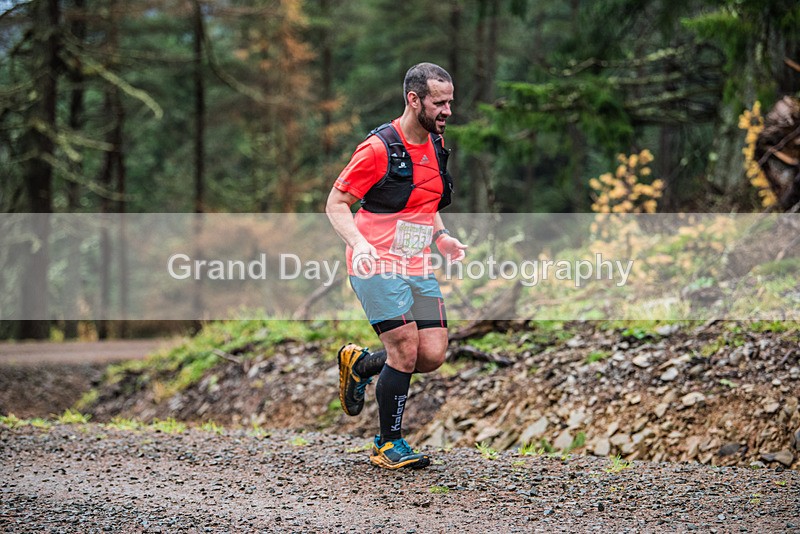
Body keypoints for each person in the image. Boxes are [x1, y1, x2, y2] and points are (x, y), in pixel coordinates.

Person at [325, 62, 467, 470]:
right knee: (404, 347)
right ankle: (388, 443)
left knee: (432, 354)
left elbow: (426, 199)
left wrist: (442, 237)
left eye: (450, 102)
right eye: (439, 103)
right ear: (414, 99)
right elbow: (336, 203)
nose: (447, 111)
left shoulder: (437, 142)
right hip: (375, 263)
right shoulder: (377, 149)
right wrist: (359, 243)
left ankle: (361, 365)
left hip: (417, 263)